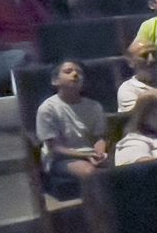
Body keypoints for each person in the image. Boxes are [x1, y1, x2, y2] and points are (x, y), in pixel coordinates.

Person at [35, 60, 110, 199]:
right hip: (60, 159)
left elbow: (99, 137)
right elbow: (55, 148)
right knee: (89, 172)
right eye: (68, 71)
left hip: (90, 153)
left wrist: (100, 153)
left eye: (79, 72)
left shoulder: (94, 106)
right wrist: (86, 156)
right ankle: (97, 214)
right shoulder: (48, 108)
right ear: (55, 81)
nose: (75, 74)